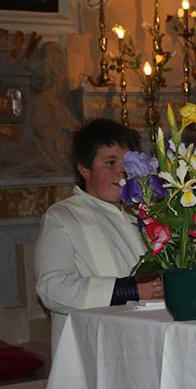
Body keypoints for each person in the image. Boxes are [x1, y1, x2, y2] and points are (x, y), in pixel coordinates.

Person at [34, 119, 163, 353]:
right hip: (95, 347)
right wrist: (131, 290)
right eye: (110, 162)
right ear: (84, 168)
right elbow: (51, 288)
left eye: (127, 163)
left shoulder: (142, 213)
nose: (121, 171)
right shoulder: (63, 217)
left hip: (149, 339)